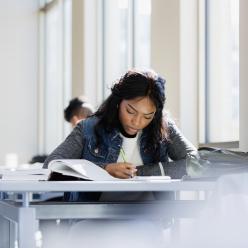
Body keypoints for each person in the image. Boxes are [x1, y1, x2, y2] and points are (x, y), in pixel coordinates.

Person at [44, 69, 197, 201]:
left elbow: (197, 163)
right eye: (130, 111)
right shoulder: (88, 128)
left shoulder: (163, 127)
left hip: (149, 216)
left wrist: (140, 172)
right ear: (118, 102)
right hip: (93, 215)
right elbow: (52, 165)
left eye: (147, 116)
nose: (137, 122)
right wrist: (105, 170)